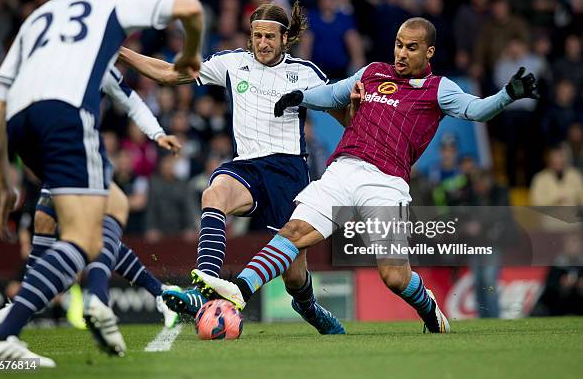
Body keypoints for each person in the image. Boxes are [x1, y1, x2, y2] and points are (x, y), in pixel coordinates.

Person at [190, 17, 538, 334]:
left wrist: (507, 95)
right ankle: (239, 289)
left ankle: (429, 309)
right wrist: (300, 96)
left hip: (386, 183)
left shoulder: (438, 88)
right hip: (342, 169)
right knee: (294, 232)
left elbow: (475, 110)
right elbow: (335, 92)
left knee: (394, 276)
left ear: (429, 51)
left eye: (411, 48)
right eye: (399, 45)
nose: (401, 53)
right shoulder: (373, 72)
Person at [0, 0, 202, 365]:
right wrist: (188, 55)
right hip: (64, 118)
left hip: (18, 121)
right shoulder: (107, 3)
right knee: (84, 236)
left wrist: (6, 181)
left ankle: (77, 299)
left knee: (97, 207)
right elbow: (190, 8)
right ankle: (7, 335)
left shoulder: (38, 21)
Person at [118, 1, 345, 334]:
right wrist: (120, 52)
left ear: (285, 39)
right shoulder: (231, 63)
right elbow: (169, 73)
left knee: (295, 277)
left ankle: (308, 306)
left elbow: (341, 111)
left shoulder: (306, 73)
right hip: (247, 167)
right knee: (215, 193)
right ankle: (204, 287)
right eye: (257, 36)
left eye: (270, 36)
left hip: (289, 174)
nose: (263, 43)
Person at [0, 66, 182, 329]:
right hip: (58, 153)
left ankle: (55, 299)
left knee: (83, 226)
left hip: (86, 152)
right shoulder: (46, 55)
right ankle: (159, 293)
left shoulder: (100, 61)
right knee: (49, 219)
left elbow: (129, 98)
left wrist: (156, 133)